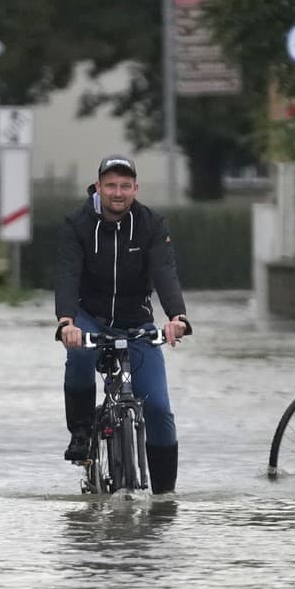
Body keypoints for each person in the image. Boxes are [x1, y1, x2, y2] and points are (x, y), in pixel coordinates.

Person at [54, 154, 190, 493]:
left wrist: (177, 316)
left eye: (125, 186)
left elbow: (165, 272)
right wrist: (67, 321)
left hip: (137, 321)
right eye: (111, 185)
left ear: (135, 188)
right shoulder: (77, 223)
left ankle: (164, 496)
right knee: (80, 357)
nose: (118, 192)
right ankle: (82, 434)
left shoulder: (152, 224)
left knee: (158, 406)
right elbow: (68, 274)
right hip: (90, 317)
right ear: (99, 186)